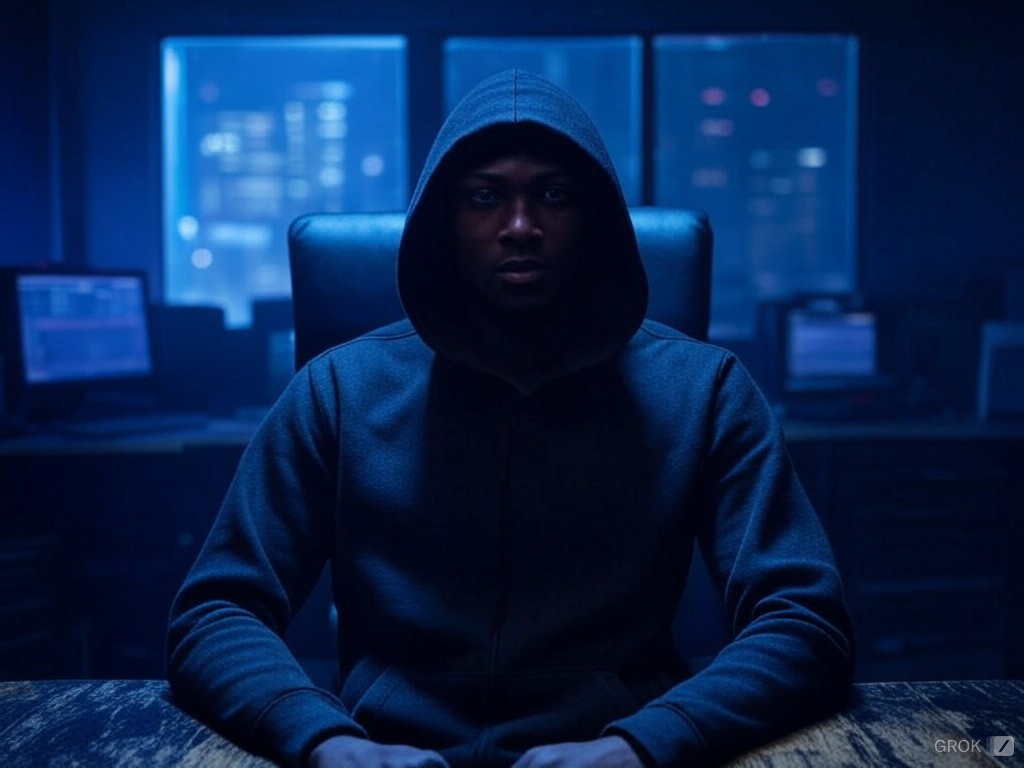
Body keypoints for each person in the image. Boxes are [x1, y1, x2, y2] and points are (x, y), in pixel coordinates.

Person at [166, 69, 855, 768]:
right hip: (383, 754)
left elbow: (804, 621)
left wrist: (643, 746)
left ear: (595, 218)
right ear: (444, 218)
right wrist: (326, 741)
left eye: (553, 195)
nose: (520, 228)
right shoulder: (337, 391)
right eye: (485, 196)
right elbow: (216, 611)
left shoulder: (704, 391)